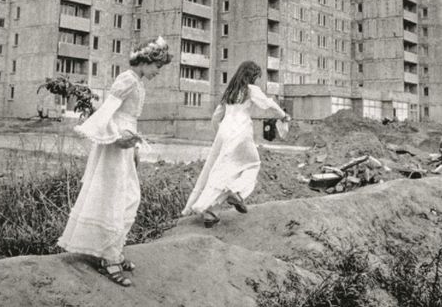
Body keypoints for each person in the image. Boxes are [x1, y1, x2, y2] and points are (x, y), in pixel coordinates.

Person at [57, 36, 171, 287]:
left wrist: (134, 148)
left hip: (126, 146)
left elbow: (129, 119)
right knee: (116, 197)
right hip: (114, 146)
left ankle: (113, 251)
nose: (158, 71)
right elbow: (106, 113)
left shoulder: (138, 82)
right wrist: (117, 138)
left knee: (129, 196)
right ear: (146, 60)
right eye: (157, 66)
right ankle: (109, 258)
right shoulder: (127, 79)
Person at [182, 61, 290, 227]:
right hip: (242, 132)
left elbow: (215, 117)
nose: (257, 80)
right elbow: (268, 104)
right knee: (253, 165)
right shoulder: (251, 90)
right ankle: (236, 192)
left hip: (225, 132)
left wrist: (221, 134)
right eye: (257, 76)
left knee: (221, 171)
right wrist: (283, 116)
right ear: (251, 76)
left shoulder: (230, 92)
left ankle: (209, 212)